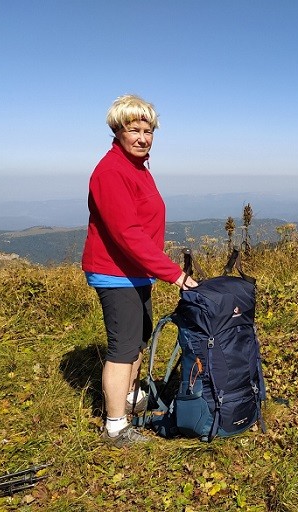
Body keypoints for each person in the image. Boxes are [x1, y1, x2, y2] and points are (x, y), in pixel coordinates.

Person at [82, 94, 198, 447]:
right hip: (115, 274)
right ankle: (115, 427)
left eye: (148, 130)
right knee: (123, 348)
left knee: (138, 340)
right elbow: (127, 235)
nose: (142, 137)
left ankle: (131, 398)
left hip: (135, 272)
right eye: (134, 129)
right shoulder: (111, 172)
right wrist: (174, 273)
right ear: (118, 130)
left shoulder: (137, 166)